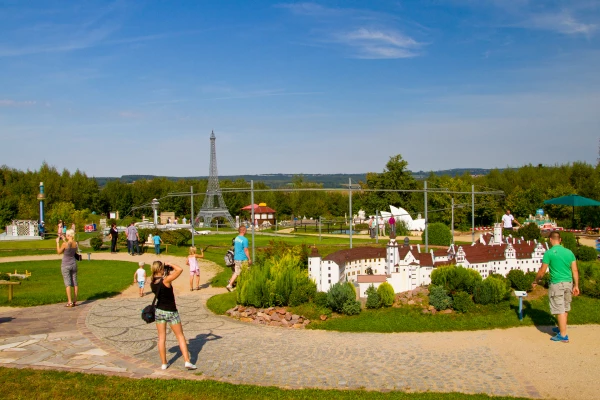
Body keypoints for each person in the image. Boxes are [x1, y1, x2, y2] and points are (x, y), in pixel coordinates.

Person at [533, 231, 580, 343]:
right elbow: (575, 270)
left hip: (557, 284)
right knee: (565, 307)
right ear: (560, 240)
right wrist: (576, 285)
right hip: (569, 283)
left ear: (550, 240)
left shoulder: (549, 253)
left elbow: (542, 271)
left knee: (559, 309)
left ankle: (563, 335)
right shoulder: (569, 252)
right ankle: (561, 328)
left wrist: (535, 281)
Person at [150, 261, 197, 370]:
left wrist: (165, 270)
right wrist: (170, 264)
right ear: (161, 269)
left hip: (159, 311)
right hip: (171, 311)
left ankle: (164, 363)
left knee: (161, 338)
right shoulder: (166, 280)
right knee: (180, 336)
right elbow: (180, 270)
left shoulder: (153, 282)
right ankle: (187, 361)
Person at [56, 229, 79, 307]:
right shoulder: (75, 243)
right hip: (73, 263)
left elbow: (59, 252)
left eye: (66, 234)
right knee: (75, 282)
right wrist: (64, 240)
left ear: (69, 235)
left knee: (67, 282)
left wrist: (57, 243)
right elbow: (69, 246)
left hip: (66, 264)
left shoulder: (64, 244)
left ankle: (69, 301)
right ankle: (75, 300)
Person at [227, 226, 251, 291]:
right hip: (243, 258)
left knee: (236, 272)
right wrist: (249, 259)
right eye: (246, 230)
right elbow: (246, 250)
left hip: (236, 258)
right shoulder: (245, 239)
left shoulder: (236, 238)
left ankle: (230, 284)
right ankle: (245, 286)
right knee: (246, 272)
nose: (246, 231)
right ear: (243, 231)